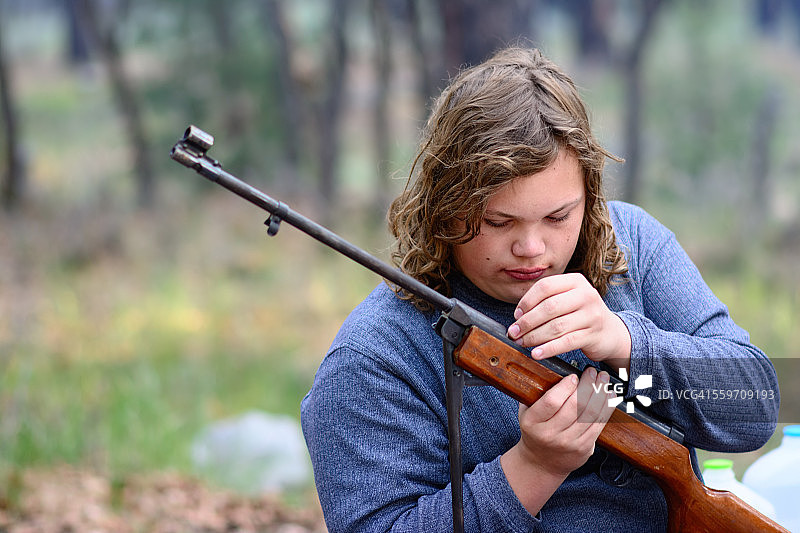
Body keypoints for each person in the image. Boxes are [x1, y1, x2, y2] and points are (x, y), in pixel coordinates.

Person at [300, 46, 780, 532]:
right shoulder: (375, 355)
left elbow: (756, 404)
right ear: (444, 209)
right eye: (498, 221)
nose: (531, 248)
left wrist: (629, 346)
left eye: (558, 217)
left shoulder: (632, 242)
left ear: (590, 196)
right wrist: (533, 469)